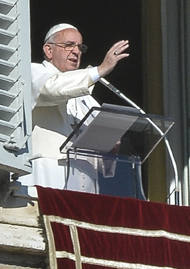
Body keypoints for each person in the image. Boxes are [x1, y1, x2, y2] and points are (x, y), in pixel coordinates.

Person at [17, 23, 129, 196]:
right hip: (47, 173)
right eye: (69, 45)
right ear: (48, 50)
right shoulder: (33, 72)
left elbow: (101, 164)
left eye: (79, 47)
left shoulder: (87, 99)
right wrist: (100, 70)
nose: (76, 51)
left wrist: (109, 151)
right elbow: (51, 89)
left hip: (85, 183)